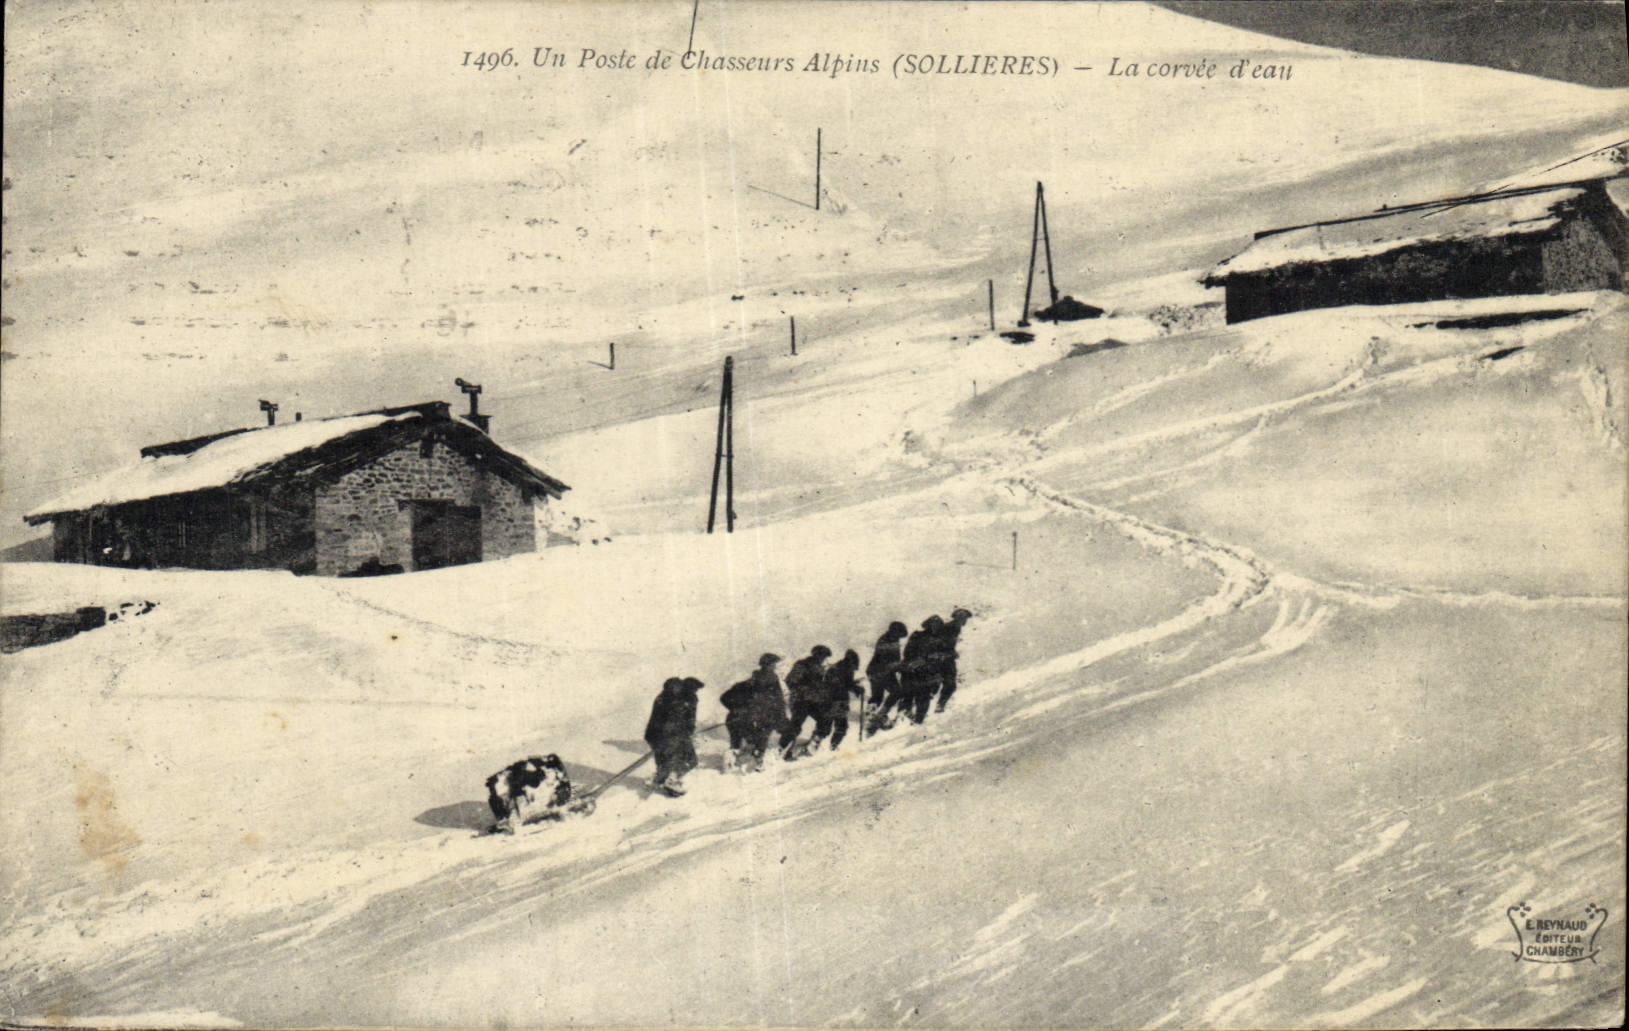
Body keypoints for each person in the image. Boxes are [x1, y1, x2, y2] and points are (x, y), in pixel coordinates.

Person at [720, 653, 786, 772]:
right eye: (774, 665)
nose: (775, 667)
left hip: (735, 719)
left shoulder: (746, 683)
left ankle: (731, 759)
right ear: (769, 666)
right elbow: (779, 704)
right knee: (761, 739)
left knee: (737, 742)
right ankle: (757, 762)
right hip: (757, 720)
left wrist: (736, 709)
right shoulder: (772, 684)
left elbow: (724, 698)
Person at [645, 676, 703, 796]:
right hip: (669, 734)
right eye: (694, 690)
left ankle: (660, 778)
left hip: (656, 734)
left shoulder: (666, 697)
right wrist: (685, 732)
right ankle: (671, 780)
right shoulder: (679, 700)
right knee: (688, 760)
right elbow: (676, 721)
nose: (695, 693)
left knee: (666, 760)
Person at [780, 645, 832, 759]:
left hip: (814, 701)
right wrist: (806, 690)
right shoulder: (802, 665)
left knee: (825, 720)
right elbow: (790, 681)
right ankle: (782, 749)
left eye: (825, 657)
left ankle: (812, 746)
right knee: (795, 726)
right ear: (816, 655)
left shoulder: (821, 668)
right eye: (822, 656)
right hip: (800, 701)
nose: (824, 659)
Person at [812, 649, 864, 751]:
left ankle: (827, 746)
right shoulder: (841, 669)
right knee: (833, 727)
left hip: (835, 702)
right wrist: (855, 688)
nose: (854, 669)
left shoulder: (840, 668)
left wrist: (854, 685)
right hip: (834, 702)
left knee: (837, 726)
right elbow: (842, 684)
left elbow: (845, 683)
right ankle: (820, 746)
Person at [898, 616, 945, 725]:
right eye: (933, 624)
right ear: (928, 625)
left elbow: (940, 656)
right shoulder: (917, 635)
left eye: (938, 625)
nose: (935, 627)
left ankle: (918, 720)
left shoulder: (939, 640)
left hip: (926, 672)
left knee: (924, 697)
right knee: (909, 695)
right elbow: (908, 653)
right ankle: (904, 717)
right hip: (912, 671)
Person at [864, 621, 907, 731]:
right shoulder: (887, 641)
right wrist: (901, 666)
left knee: (878, 695)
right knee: (897, 692)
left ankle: (871, 713)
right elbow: (888, 660)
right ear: (895, 632)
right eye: (899, 634)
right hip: (882, 671)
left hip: (875, 671)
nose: (899, 637)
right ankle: (880, 714)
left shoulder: (888, 639)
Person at [934, 608, 973, 713]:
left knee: (950, 685)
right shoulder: (948, 627)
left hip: (947, 660)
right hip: (941, 660)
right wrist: (950, 653)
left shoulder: (956, 628)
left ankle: (940, 705)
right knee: (946, 684)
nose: (964, 621)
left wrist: (952, 652)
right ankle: (938, 705)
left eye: (965, 618)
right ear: (956, 618)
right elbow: (938, 644)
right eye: (962, 618)